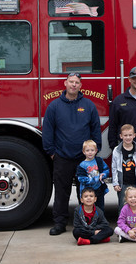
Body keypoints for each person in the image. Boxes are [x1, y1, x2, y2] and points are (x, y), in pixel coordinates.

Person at [43, 73, 101, 236]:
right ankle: (60, 223)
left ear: (80, 86)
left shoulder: (88, 105)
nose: (74, 85)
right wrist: (52, 152)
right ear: (65, 84)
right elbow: (48, 131)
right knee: (61, 191)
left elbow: (95, 128)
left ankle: (85, 222)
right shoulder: (54, 106)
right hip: (62, 156)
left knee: (85, 191)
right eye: (71, 82)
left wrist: (94, 151)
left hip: (85, 159)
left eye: (77, 83)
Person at [111, 124, 136, 209]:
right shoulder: (117, 150)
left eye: (130, 135)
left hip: (135, 183)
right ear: (121, 136)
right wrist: (115, 183)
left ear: (134, 135)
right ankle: (122, 222)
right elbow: (114, 167)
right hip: (123, 184)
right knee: (122, 206)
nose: (128, 137)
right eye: (125, 135)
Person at [76, 140, 109, 212]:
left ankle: (100, 221)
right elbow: (81, 179)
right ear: (83, 152)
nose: (90, 152)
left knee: (100, 208)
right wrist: (96, 179)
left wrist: (104, 175)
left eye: (92, 150)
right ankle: (88, 222)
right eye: (87, 150)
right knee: (88, 208)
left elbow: (106, 170)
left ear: (96, 151)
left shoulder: (99, 161)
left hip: (99, 189)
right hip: (88, 191)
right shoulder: (82, 165)